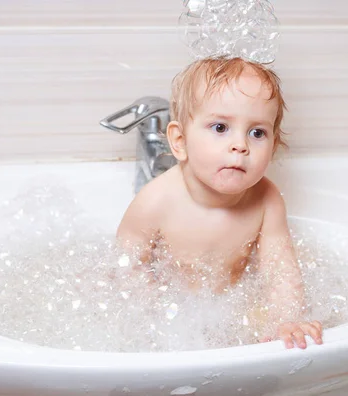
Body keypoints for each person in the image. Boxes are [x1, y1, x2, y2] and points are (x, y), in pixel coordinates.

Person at [117, 56, 323, 349]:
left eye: (257, 132)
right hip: (169, 314)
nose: (240, 144)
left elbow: (280, 271)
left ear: (273, 147)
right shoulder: (155, 201)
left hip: (234, 308)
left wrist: (286, 317)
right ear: (179, 140)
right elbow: (127, 267)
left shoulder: (267, 200)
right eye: (220, 128)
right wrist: (156, 319)